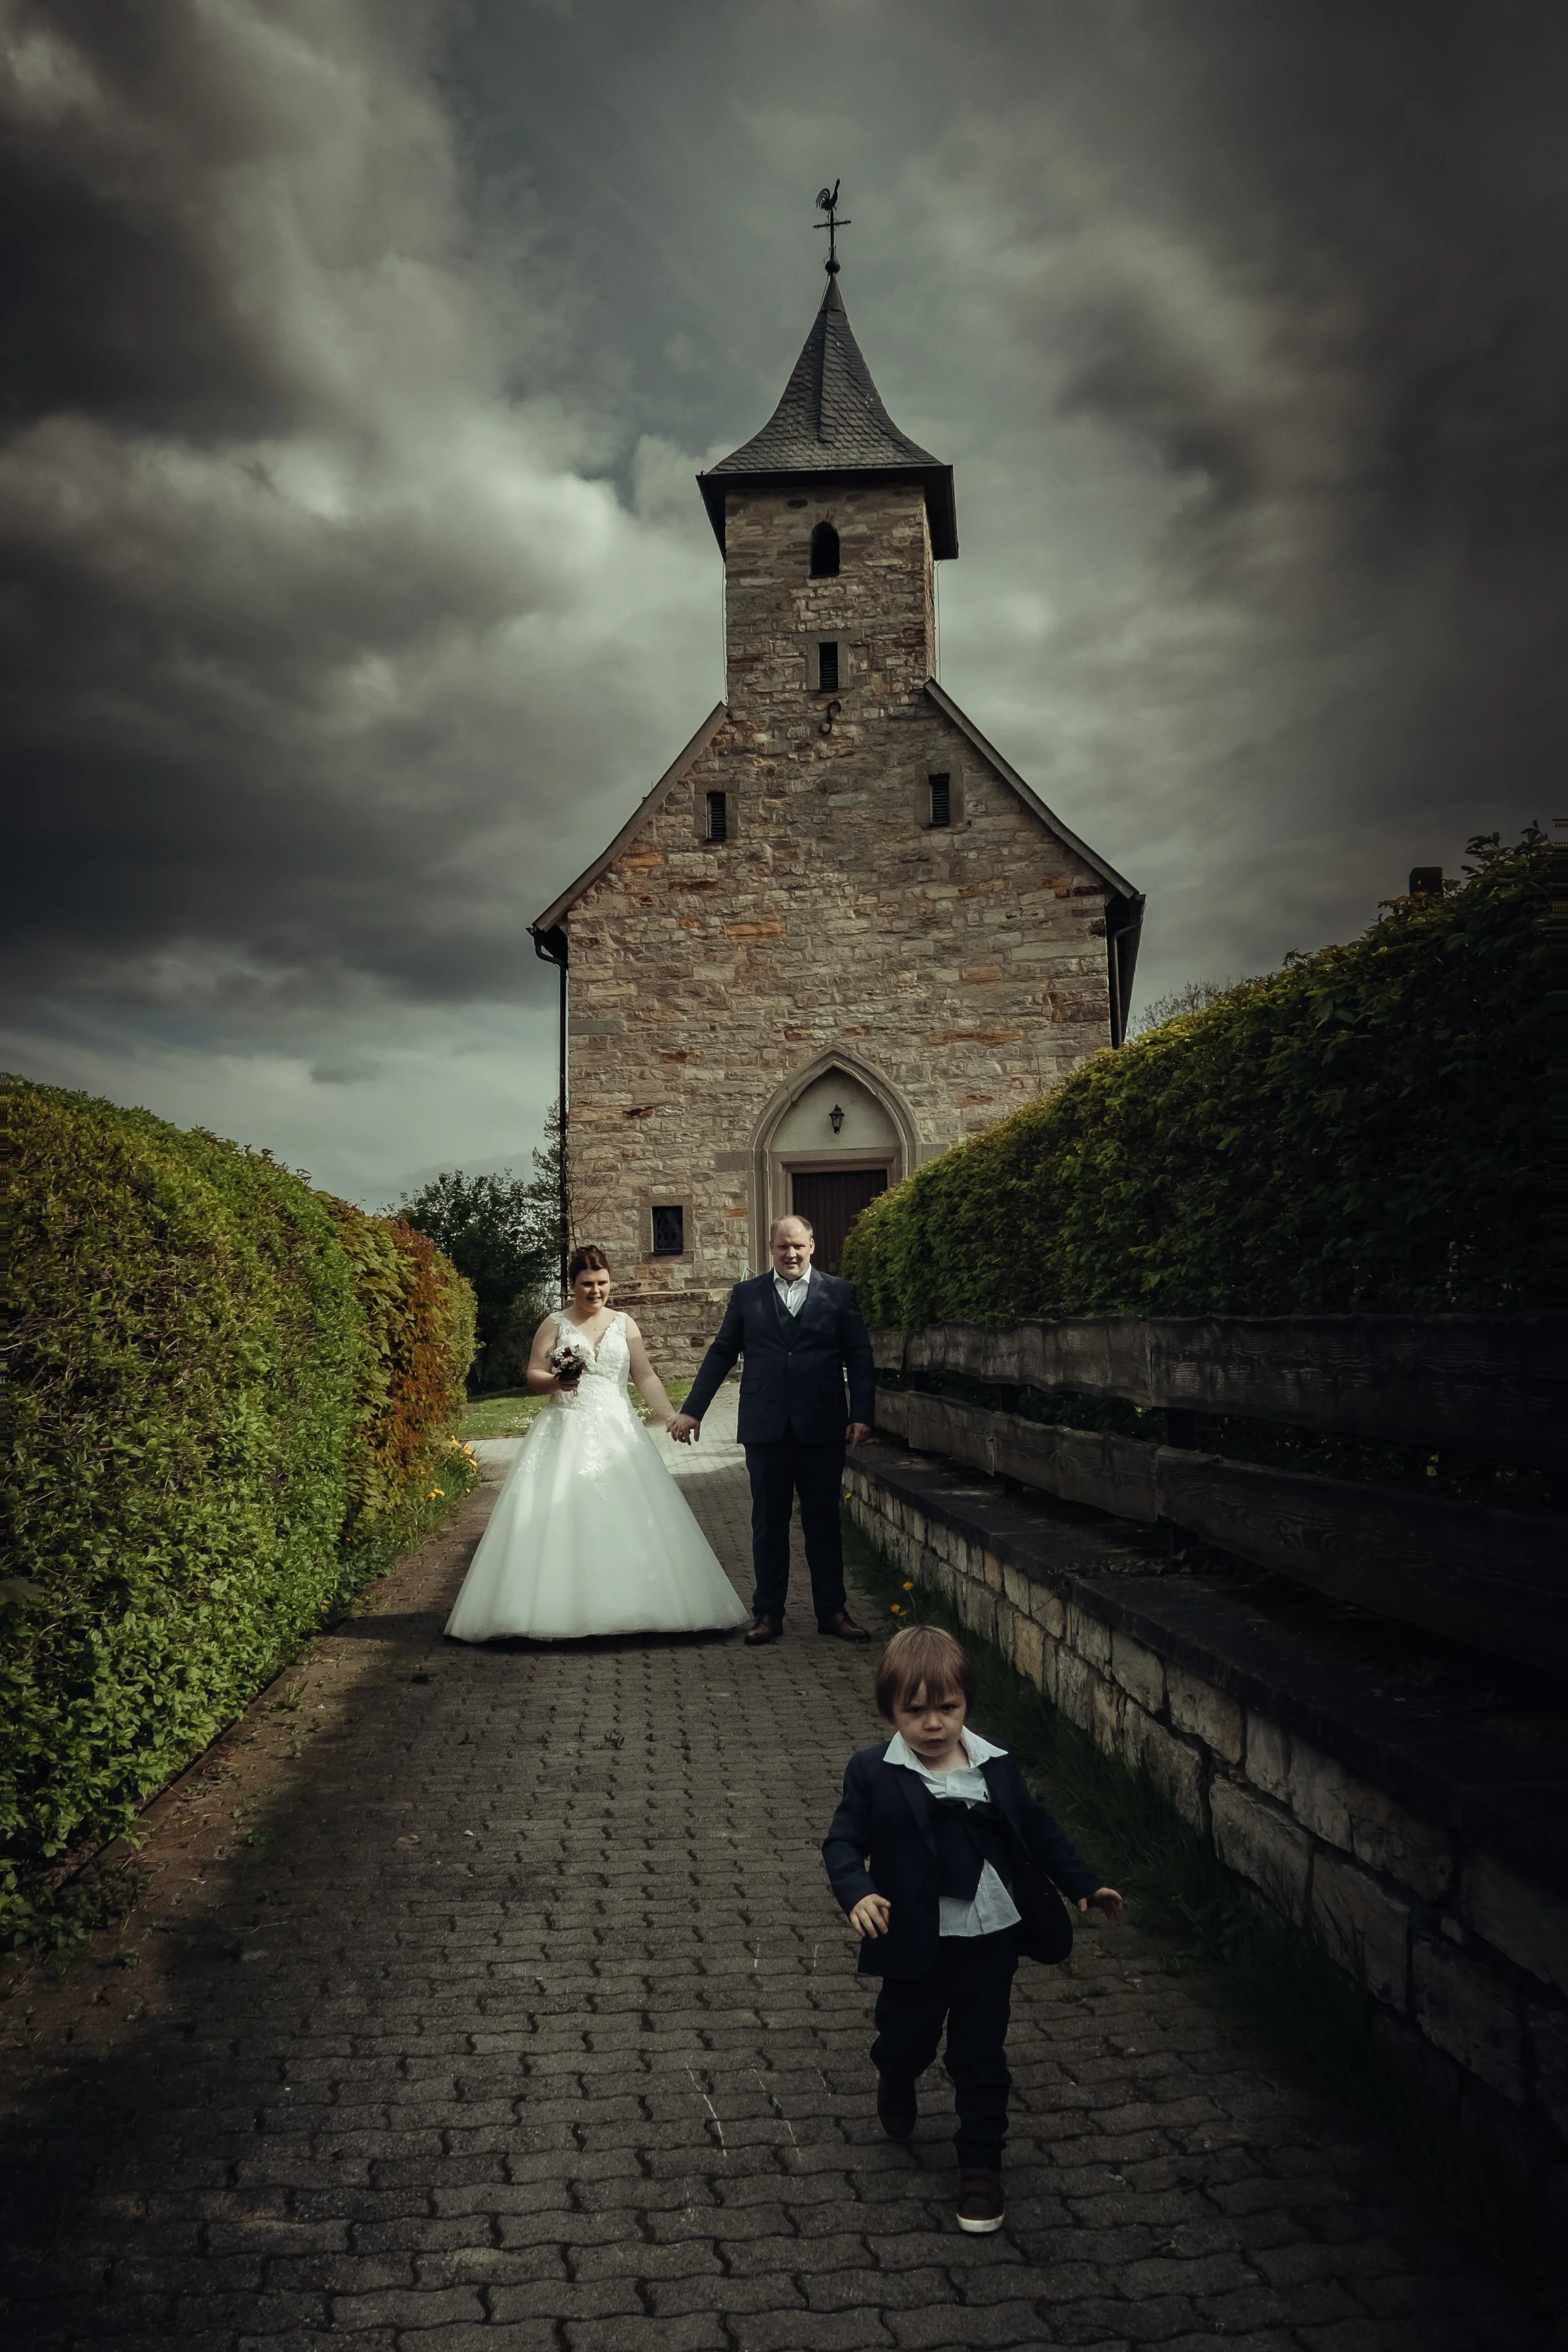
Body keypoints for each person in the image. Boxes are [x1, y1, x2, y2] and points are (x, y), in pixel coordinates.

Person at [822, 1624, 1125, 2235]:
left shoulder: (997, 1767)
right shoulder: (872, 1773)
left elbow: (1039, 1831)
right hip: (916, 1945)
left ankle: (981, 2167)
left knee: (980, 2058)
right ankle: (896, 2073)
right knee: (906, 2035)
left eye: (947, 1708)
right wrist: (858, 1892)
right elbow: (842, 1842)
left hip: (990, 1941)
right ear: (890, 1710)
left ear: (966, 1704)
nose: (933, 1724)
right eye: (915, 1711)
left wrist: (1084, 1885)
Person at [444, 1245, 750, 1643]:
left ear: (611, 1282)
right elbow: (533, 1373)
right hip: (564, 1428)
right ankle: (552, 1610)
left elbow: (645, 1377)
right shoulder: (554, 1323)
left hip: (619, 1430)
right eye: (587, 1284)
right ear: (572, 1285)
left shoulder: (625, 1323)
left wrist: (669, 1415)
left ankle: (641, 1606)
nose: (595, 1291)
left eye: (602, 1283)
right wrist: (555, 1381)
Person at [668, 1214, 874, 1645]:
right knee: (768, 1524)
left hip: (822, 1423)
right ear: (771, 1249)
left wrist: (863, 1414)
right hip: (766, 1427)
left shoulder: (839, 1294)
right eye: (783, 1247)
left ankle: (832, 1612)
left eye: (799, 1246)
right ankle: (768, 1614)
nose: (792, 1253)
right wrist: (693, 1410)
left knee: (823, 1522)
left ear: (812, 1246)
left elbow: (859, 1356)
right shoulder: (747, 1295)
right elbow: (723, 1351)